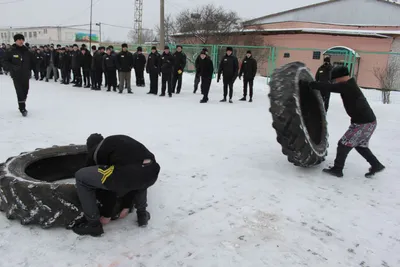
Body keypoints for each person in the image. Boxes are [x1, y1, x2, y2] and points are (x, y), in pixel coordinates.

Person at [301, 66, 385, 178]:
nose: (335, 81)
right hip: (368, 122)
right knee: (360, 145)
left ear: (341, 77)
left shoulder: (348, 86)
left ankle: (338, 169)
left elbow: (329, 87)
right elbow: (333, 86)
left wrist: (312, 84)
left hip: (362, 124)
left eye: (336, 79)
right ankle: (376, 165)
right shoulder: (349, 84)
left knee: (343, 144)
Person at [72, 134, 160, 236]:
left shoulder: (95, 152)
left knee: (81, 177)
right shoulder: (115, 143)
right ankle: (142, 215)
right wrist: (127, 205)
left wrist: (107, 213)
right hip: (152, 171)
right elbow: (134, 178)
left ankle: (93, 225)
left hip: (129, 173)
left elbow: (109, 187)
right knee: (141, 173)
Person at [2, 34, 32, 116]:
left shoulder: (27, 51)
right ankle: (22, 108)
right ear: (15, 41)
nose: (21, 41)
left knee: (26, 90)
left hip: (26, 74)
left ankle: (22, 101)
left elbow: (32, 61)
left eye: (22, 39)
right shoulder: (11, 51)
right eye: (19, 39)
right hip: (16, 75)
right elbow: (4, 61)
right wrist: (12, 67)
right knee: (19, 91)